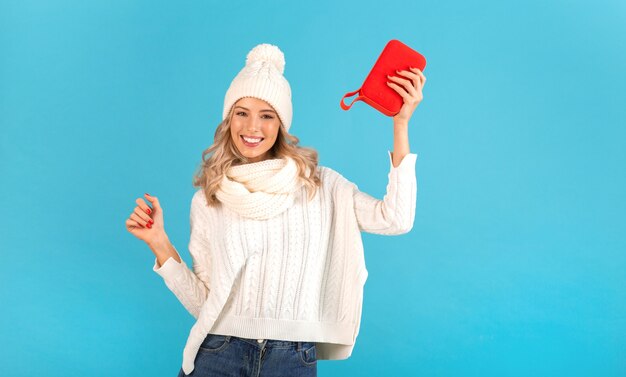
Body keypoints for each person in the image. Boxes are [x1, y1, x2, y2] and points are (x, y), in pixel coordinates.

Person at [125, 43, 426, 377]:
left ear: (281, 124)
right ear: (229, 119)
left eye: (267, 116)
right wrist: (159, 242)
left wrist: (401, 125)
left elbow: (396, 218)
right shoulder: (210, 197)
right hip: (219, 352)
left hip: (292, 360)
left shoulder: (320, 185)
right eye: (242, 112)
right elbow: (204, 304)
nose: (252, 127)